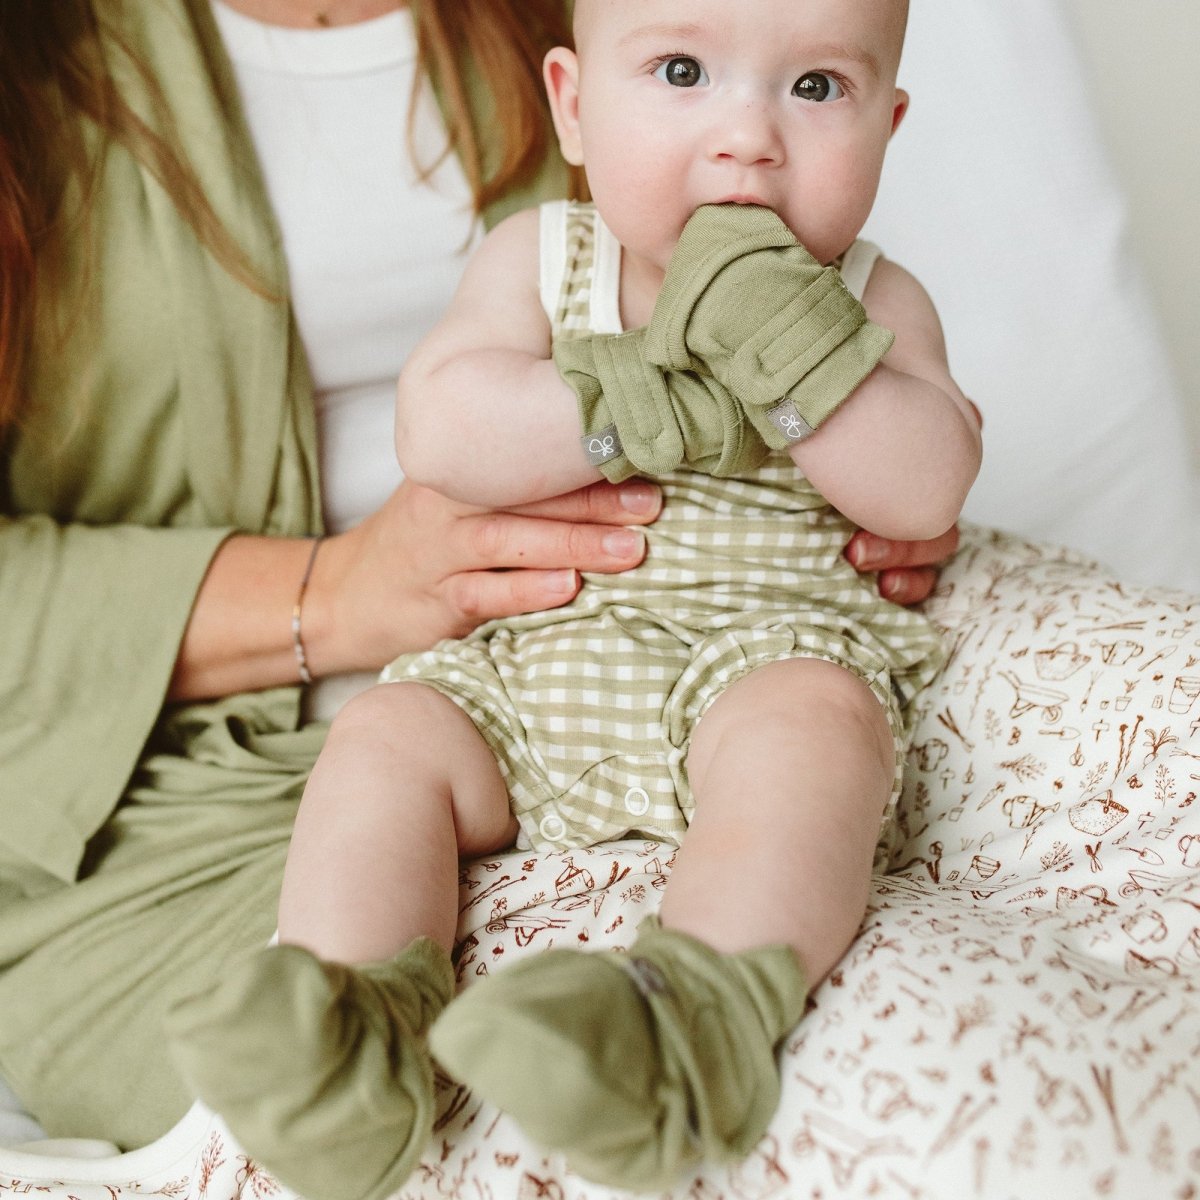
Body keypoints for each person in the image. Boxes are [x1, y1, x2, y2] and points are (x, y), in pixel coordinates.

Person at [0, 0, 957, 1159]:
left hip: (748, 663)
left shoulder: (868, 297)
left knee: (814, 727)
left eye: (816, 90)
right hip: (518, 680)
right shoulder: (548, 259)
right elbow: (444, 422)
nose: (749, 136)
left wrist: (827, 386)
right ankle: (350, 1032)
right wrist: (632, 407)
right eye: (683, 73)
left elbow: (929, 482)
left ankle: (692, 1018)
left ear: (891, 126)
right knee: (394, 740)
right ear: (573, 106)